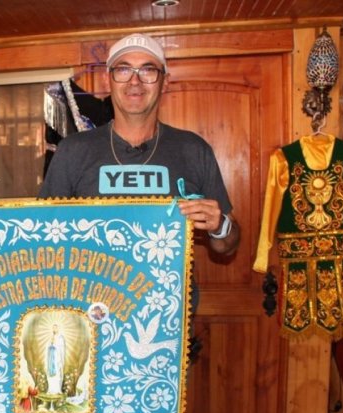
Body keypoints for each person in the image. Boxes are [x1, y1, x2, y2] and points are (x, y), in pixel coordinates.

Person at [39, 33, 240, 255]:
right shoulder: (72, 150)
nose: (135, 81)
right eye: (123, 70)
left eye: (148, 70)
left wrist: (220, 227)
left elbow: (228, 247)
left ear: (165, 82)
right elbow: (42, 236)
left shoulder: (194, 149)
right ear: (108, 80)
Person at [45, 324, 66, 395]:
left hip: (57, 358)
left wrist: (54, 345)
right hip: (51, 358)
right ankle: (51, 389)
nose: (54, 329)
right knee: (50, 374)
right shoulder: (51, 337)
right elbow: (47, 347)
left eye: (55, 328)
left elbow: (61, 348)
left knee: (57, 373)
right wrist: (50, 345)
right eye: (53, 328)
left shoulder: (60, 338)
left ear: (58, 329)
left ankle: (57, 390)